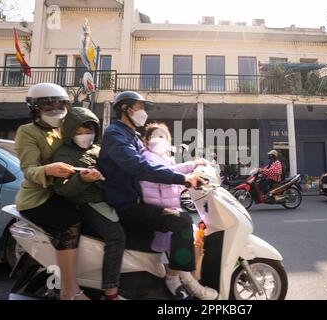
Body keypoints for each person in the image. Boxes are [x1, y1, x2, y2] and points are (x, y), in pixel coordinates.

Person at [98, 91, 205, 300]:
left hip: (138, 201)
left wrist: (192, 166)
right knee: (181, 222)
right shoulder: (115, 135)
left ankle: (169, 273)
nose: (143, 113)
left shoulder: (132, 136)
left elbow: (156, 164)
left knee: (180, 218)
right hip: (126, 205)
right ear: (125, 109)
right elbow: (140, 167)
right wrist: (182, 179)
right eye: (140, 107)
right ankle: (173, 278)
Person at [14, 83, 88, 300]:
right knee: (70, 221)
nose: (56, 110)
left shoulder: (67, 128)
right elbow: (29, 169)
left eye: (61, 105)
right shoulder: (27, 132)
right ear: (35, 108)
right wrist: (48, 169)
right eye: (49, 106)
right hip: (38, 197)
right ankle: (70, 289)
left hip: (67, 191)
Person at [53, 107, 126, 301]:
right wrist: (83, 180)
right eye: (79, 132)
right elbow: (63, 189)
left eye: (89, 131)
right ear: (70, 133)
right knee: (116, 236)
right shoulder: (64, 154)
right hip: (87, 202)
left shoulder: (99, 149)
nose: (85, 136)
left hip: (108, 199)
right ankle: (111, 292)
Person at [139, 122, 218, 300]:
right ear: (147, 140)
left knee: (191, 236)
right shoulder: (148, 157)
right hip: (158, 211)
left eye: (163, 136)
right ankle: (181, 282)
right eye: (156, 136)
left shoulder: (164, 158)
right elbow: (165, 174)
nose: (160, 139)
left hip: (169, 208)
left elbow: (171, 182)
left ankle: (184, 280)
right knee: (183, 237)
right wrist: (191, 165)